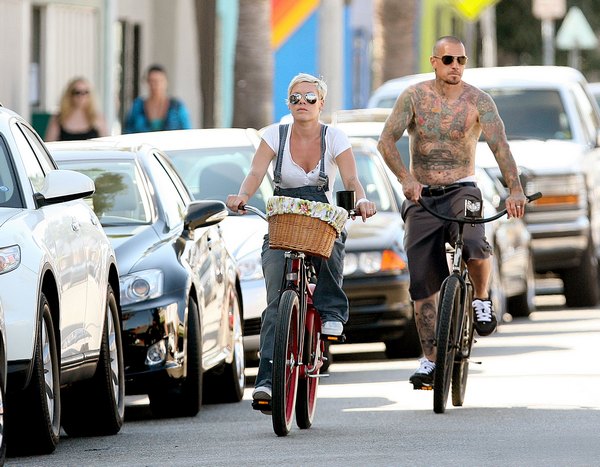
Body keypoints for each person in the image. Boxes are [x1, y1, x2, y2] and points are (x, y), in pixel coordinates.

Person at [377, 36, 527, 389]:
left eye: (461, 59)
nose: (455, 65)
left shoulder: (479, 101)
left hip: (463, 189)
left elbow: (500, 146)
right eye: (448, 59)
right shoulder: (414, 97)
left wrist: (514, 189)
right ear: (434, 61)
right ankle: (429, 360)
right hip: (423, 197)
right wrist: (406, 179)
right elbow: (385, 141)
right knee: (421, 283)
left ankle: (481, 298)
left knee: (475, 241)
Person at [226, 73, 377, 407]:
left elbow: (351, 178)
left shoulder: (335, 137)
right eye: (296, 98)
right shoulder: (273, 135)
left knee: (334, 241)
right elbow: (255, 172)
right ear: (288, 103)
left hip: (321, 216)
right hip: (284, 218)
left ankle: (331, 312)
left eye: (310, 98)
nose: (303, 104)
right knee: (275, 299)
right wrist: (241, 195)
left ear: (321, 103)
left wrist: (362, 199)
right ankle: (266, 379)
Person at [123, 64, 191, 133]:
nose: (156, 85)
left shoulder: (177, 106)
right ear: (147, 82)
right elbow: (128, 130)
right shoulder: (138, 106)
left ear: (166, 82)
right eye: (152, 81)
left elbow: (187, 132)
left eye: (160, 81)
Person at [45, 77, 108, 142]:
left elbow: (107, 144)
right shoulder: (58, 119)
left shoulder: (97, 118)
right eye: (77, 92)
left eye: (86, 92)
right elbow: (48, 144)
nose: (82, 96)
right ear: (69, 94)